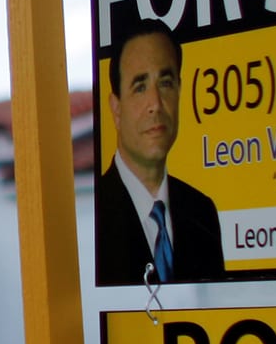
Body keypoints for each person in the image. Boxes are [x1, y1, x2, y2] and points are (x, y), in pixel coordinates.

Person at [96, 18, 224, 285]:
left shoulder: (202, 213)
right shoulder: (94, 216)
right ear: (116, 108)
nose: (155, 103)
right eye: (140, 87)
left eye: (165, 83)